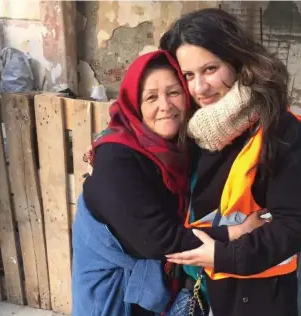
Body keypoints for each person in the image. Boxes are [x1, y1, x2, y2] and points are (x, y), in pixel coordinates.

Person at [72, 50, 262, 316]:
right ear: (134, 105)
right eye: (151, 97)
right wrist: (235, 233)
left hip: (155, 283)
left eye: (173, 93)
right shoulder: (116, 156)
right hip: (114, 294)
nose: (165, 105)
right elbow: (158, 239)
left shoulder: (180, 148)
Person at [159, 8, 301, 316]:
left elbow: (298, 224)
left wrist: (221, 256)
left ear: (237, 62)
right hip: (193, 289)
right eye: (188, 75)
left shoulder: (283, 132)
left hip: (251, 297)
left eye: (210, 69)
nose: (199, 89)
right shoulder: (189, 129)